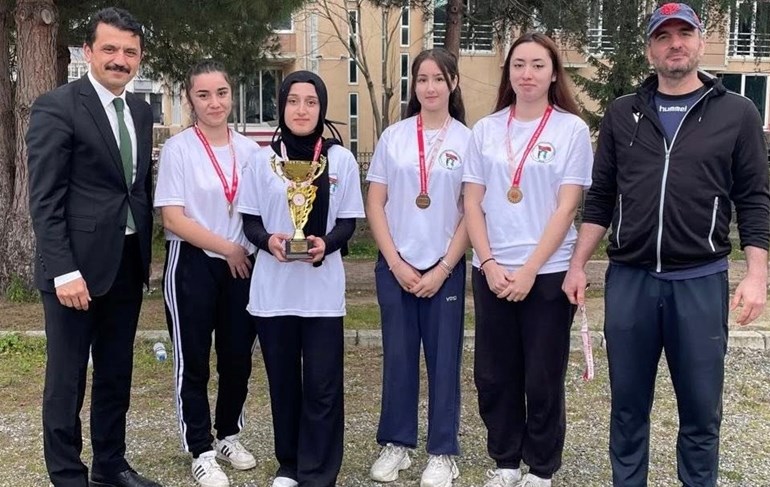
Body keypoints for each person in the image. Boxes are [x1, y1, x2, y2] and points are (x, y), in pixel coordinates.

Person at [562, 3, 769, 486]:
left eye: (684, 33)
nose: (675, 43)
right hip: (630, 282)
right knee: (627, 407)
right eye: (663, 36)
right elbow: (601, 196)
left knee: (700, 410)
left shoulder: (737, 112)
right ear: (650, 49)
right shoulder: (623, 112)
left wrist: (757, 274)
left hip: (700, 282)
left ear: (700, 41)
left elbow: (754, 198)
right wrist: (577, 264)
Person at [27, 7, 162, 487]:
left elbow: (136, 188)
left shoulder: (140, 111)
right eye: (109, 49)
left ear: (139, 58)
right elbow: (44, 199)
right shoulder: (57, 107)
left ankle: (110, 465)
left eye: (130, 51)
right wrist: (63, 270)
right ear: (87, 52)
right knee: (67, 380)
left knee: (115, 373)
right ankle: (68, 475)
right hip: (74, 271)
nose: (120, 59)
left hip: (125, 264)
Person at [462, 33, 593, 487]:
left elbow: (567, 206)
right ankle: (505, 461)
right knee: (494, 375)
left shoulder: (571, 130)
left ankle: (540, 468)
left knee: (542, 376)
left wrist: (531, 270)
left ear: (554, 73)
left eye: (538, 65)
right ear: (509, 72)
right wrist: (488, 262)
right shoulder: (486, 129)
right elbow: (472, 201)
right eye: (519, 65)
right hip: (492, 271)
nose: (527, 74)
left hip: (547, 273)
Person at [238, 71, 365, 487]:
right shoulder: (262, 161)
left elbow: (348, 222)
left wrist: (325, 244)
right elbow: (250, 222)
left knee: (323, 384)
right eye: (293, 101)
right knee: (283, 384)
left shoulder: (340, 160)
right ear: (281, 106)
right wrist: (271, 241)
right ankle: (290, 465)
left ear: (322, 108)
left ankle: (319, 470)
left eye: (311, 102)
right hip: (273, 293)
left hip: (321, 294)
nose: (302, 110)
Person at [365, 48, 471, 487]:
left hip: (444, 267)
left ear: (453, 83)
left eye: (439, 79)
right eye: (422, 79)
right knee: (399, 357)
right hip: (397, 266)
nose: (430, 87)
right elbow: (375, 202)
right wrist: (395, 262)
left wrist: (443, 268)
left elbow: (471, 212)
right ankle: (397, 443)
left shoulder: (468, 140)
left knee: (444, 362)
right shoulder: (394, 137)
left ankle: (443, 452)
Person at [154, 60, 259, 487]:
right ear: (190, 100)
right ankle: (200, 449)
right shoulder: (179, 149)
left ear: (232, 95)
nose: (214, 103)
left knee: (237, 358)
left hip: (242, 266)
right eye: (203, 95)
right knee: (193, 360)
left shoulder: (251, 151)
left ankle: (228, 434)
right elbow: (173, 218)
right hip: (193, 262)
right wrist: (226, 247)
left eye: (221, 93)